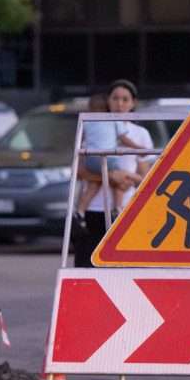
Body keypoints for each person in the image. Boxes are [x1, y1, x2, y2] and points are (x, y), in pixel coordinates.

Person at [73, 79, 154, 268]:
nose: (120, 104)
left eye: (125, 99)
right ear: (107, 101)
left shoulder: (140, 134)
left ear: (133, 103)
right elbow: (79, 171)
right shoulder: (92, 127)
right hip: (94, 209)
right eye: (115, 98)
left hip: (125, 210)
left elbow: (145, 179)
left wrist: (126, 176)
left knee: (123, 270)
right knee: (86, 267)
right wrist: (112, 178)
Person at [72, 91, 142, 231]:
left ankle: (80, 211)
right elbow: (123, 139)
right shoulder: (113, 120)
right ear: (108, 107)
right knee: (119, 181)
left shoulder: (87, 122)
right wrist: (139, 148)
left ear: (90, 108)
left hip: (90, 157)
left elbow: (79, 141)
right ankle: (117, 209)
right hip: (107, 157)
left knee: (93, 185)